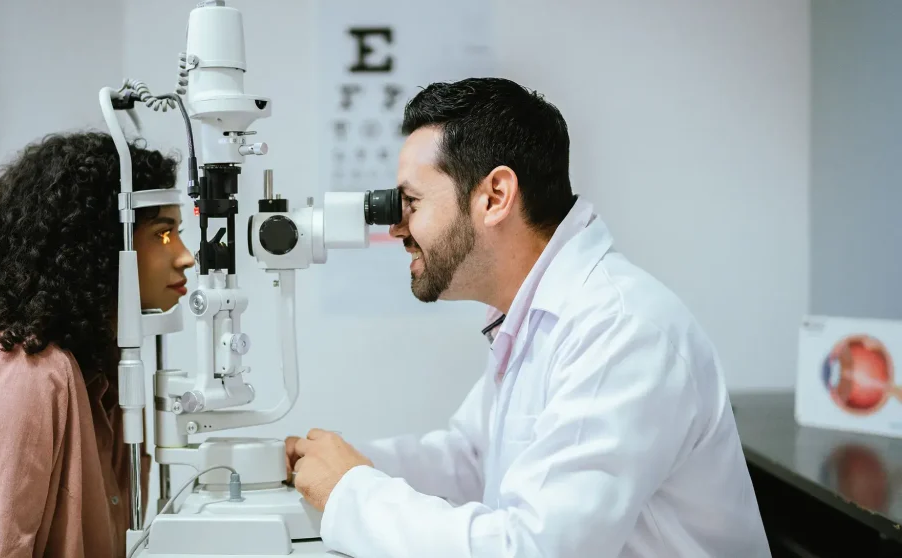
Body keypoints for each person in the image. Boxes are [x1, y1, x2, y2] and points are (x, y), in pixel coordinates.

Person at [285, 78, 771, 557]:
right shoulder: (536, 315)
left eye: (411, 203)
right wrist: (344, 465)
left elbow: (536, 549)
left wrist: (350, 490)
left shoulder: (620, 331)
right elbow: (471, 459)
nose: (396, 228)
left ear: (495, 196)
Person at [0, 131, 195, 557]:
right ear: (100, 242)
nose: (186, 256)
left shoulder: (99, 376)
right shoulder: (24, 378)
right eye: (163, 234)